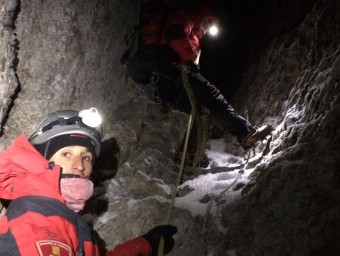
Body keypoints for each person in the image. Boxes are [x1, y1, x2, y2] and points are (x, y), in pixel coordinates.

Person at [0, 107, 177, 255]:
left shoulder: (66, 218)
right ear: (42, 159)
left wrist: (144, 245)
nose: (80, 165)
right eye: (66, 154)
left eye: (86, 157)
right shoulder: (34, 221)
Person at [126, 1, 273, 152]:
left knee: (194, 107)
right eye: (207, 22)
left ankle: (190, 153)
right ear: (202, 16)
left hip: (163, 70)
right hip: (166, 67)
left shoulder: (193, 30)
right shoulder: (187, 19)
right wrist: (189, 58)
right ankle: (245, 133)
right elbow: (174, 32)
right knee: (210, 94)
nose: (206, 27)